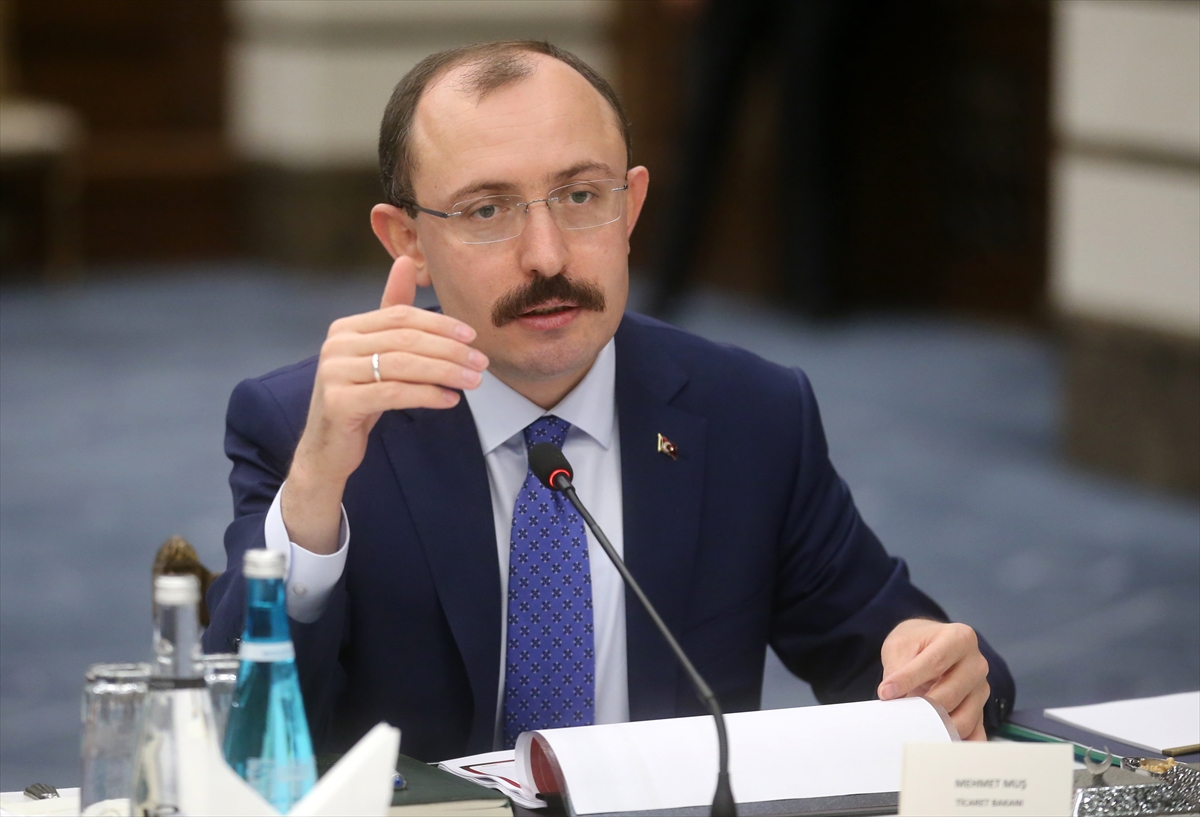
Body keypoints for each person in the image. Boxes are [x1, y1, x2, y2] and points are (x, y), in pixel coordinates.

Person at [203, 40, 1014, 761]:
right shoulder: (308, 428)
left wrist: (938, 669)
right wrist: (314, 491)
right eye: (488, 210)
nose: (548, 256)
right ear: (405, 239)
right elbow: (236, 740)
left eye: (581, 196)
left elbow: (902, 658)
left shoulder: (750, 413)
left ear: (633, 204)